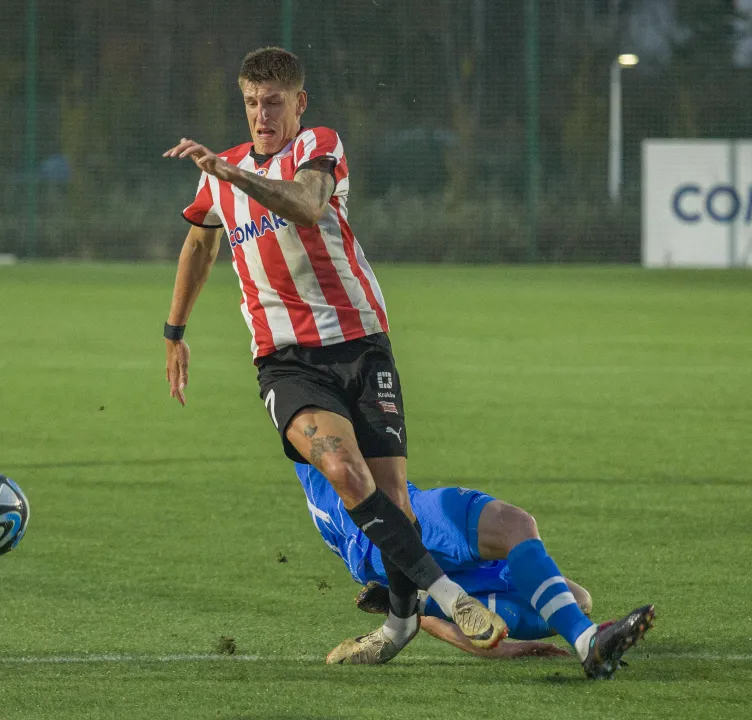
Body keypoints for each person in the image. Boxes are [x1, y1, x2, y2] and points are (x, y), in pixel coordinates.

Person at [161, 46, 506, 664]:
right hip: (286, 360)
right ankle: (450, 597)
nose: (261, 115)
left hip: (360, 343)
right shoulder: (221, 172)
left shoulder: (318, 146)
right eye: (250, 103)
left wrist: (231, 173)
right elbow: (198, 246)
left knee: (395, 499)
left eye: (273, 102)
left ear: (299, 103)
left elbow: (308, 204)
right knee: (346, 474)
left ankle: (399, 627)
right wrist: (174, 331)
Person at [295, 463, 656, 678]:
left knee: (577, 598)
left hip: (386, 528)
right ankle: (586, 642)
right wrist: (504, 651)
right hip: (380, 529)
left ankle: (416, 602)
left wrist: (500, 649)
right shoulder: (309, 385)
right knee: (514, 525)